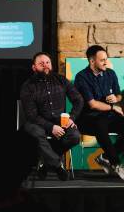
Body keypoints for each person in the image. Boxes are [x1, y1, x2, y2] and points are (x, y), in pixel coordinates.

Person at [74, 45, 124, 180]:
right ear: (92, 61)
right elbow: (92, 104)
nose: (106, 62)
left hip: (109, 117)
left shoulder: (110, 73)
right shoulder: (81, 77)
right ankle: (116, 165)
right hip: (88, 119)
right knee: (100, 124)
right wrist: (113, 107)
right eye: (102, 60)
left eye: (106, 59)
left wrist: (115, 98)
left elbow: (119, 95)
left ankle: (105, 157)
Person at [20, 52, 83, 181]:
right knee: (36, 134)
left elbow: (78, 100)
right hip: (37, 122)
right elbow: (31, 115)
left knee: (75, 136)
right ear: (34, 67)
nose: (45, 65)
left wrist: (72, 118)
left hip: (60, 121)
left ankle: (45, 163)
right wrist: (51, 127)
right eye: (41, 63)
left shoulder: (61, 80)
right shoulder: (28, 86)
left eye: (47, 62)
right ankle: (58, 166)